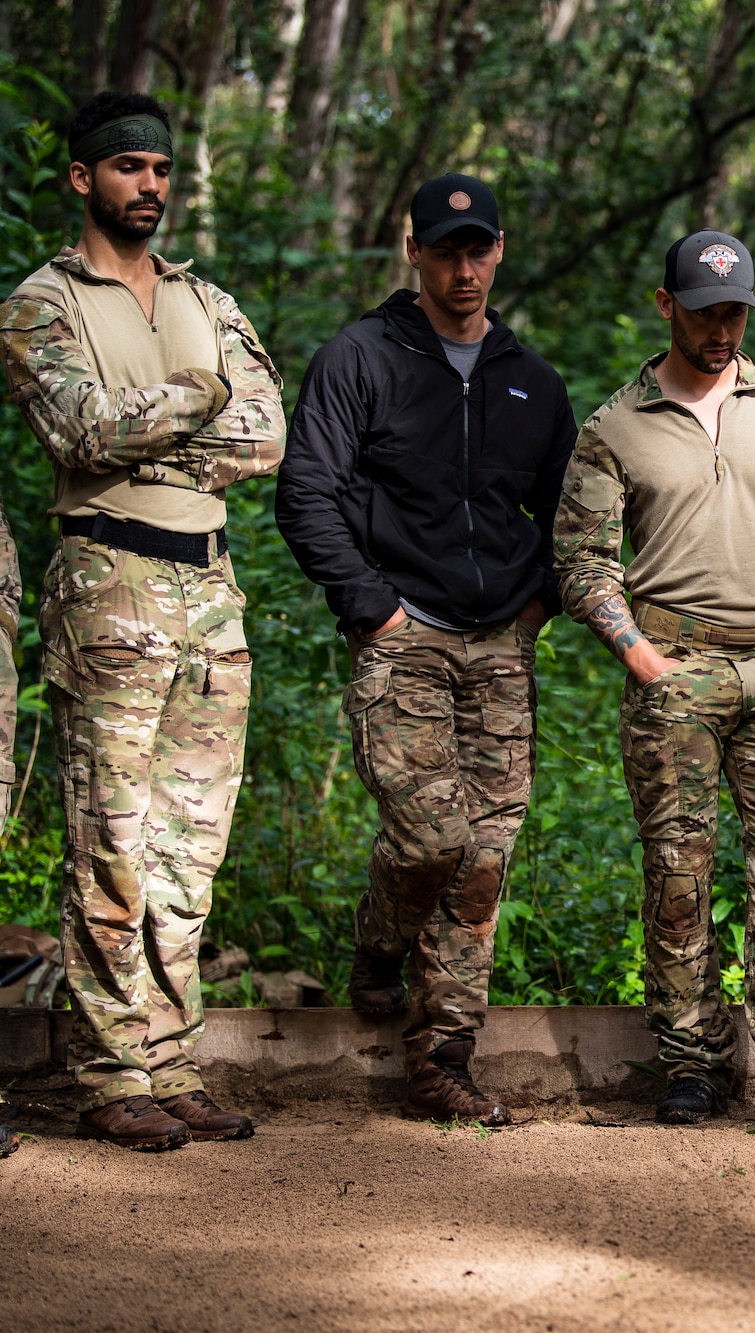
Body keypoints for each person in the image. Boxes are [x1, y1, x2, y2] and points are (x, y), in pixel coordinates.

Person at [0, 91, 285, 1150]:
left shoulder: (202, 298)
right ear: (84, 180)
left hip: (210, 589)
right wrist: (203, 395)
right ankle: (111, 1068)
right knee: (110, 843)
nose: (150, 188)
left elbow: (267, 439)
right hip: (108, 580)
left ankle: (172, 1058)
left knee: (188, 849)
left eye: (161, 171)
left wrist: (161, 416)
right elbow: (78, 431)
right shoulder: (42, 302)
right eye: (128, 169)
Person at [276, 174, 577, 1126]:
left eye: (478, 249)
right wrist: (374, 610)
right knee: (434, 834)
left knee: (485, 856)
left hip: (501, 646)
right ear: (414, 250)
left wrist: (540, 606)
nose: (463, 268)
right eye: (445, 250)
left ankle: (443, 1057)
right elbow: (306, 492)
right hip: (402, 635)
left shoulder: (531, 377)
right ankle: (379, 934)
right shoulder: (360, 358)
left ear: (498, 251)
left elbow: (576, 515)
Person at [553, 230, 755, 1135]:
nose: (721, 328)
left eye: (734, 311)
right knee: (678, 871)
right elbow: (580, 560)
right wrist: (642, 659)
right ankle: (690, 1061)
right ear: (666, 306)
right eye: (704, 310)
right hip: (672, 667)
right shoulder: (614, 426)